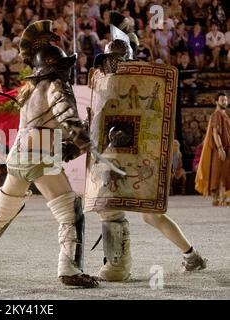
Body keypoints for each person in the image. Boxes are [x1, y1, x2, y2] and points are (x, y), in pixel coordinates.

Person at [0, 21, 99, 288]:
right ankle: (69, 270)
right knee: (71, 212)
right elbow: (66, 117)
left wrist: (74, 148)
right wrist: (84, 140)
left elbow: (45, 129)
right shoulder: (56, 86)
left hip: (19, 157)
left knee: (0, 214)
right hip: (40, 157)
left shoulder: (29, 91)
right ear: (56, 67)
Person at [89, 12, 207, 282]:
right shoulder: (107, 82)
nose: (111, 63)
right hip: (116, 154)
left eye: (114, 59)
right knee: (133, 213)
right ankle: (191, 255)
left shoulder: (144, 82)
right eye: (109, 59)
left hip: (138, 155)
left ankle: (118, 266)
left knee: (138, 213)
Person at [196, 93, 230, 206]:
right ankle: (217, 198)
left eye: (225, 100)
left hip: (227, 149)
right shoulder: (216, 115)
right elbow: (215, 132)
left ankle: (223, 197)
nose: (224, 102)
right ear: (216, 101)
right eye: (222, 100)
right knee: (218, 173)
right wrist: (220, 148)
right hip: (219, 149)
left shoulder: (225, 115)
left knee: (225, 172)